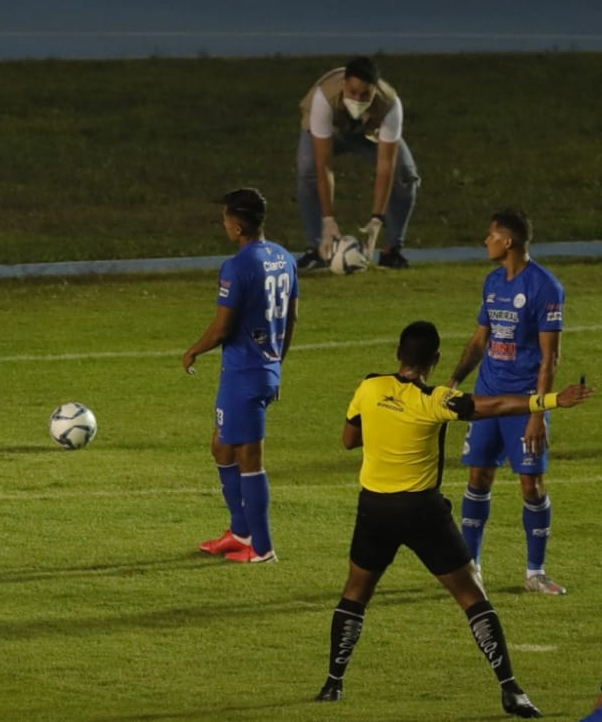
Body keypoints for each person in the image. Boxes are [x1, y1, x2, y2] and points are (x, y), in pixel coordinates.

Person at [315, 320, 592, 718]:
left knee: (356, 593)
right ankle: (510, 689)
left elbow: (348, 440)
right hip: (422, 512)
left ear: (398, 354)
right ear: (435, 360)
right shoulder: (435, 400)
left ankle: (332, 684)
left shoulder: (368, 387)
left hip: (375, 510)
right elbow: (492, 406)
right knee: (472, 596)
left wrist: (382, 425)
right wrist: (548, 401)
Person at [446, 209, 568, 594]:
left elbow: (550, 358)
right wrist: (453, 381)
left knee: (530, 485)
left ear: (508, 242)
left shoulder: (545, 288)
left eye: (491, 236)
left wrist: (538, 412)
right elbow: (479, 339)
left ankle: (535, 572)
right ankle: (470, 565)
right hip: (485, 397)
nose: (486, 242)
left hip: (522, 402)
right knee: (477, 478)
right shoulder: (493, 281)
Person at [182, 188, 298, 564]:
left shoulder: (237, 266)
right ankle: (240, 532)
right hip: (254, 370)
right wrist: (277, 362)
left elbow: (221, 329)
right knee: (221, 445)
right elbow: (292, 317)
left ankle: (262, 548)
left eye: (225, 219)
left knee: (249, 458)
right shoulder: (283, 258)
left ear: (237, 225)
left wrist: (193, 350)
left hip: (246, 373)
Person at [295, 55, 420, 271]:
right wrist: (328, 219)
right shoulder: (324, 98)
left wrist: (376, 219)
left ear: (375, 89)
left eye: (365, 95)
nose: (358, 100)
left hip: (368, 132)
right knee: (308, 169)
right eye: (353, 92)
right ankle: (316, 250)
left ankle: (393, 250)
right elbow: (323, 164)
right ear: (344, 84)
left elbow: (385, 165)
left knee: (405, 174)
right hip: (330, 132)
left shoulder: (389, 104)